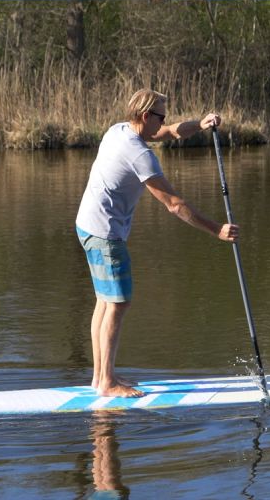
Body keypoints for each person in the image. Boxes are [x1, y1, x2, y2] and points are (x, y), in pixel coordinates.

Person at [74, 90, 235, 398]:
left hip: (87, 225)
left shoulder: (118, 130)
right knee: (118, 302)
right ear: (146, 116)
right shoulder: (138, 153)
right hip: (105, 233)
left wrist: (201, 125)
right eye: (161, 114)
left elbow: (171, 132)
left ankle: (99, 378)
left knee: (105, 301)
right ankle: (107, 382)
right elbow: (174, 204)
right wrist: (217, 230)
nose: (165, 120)